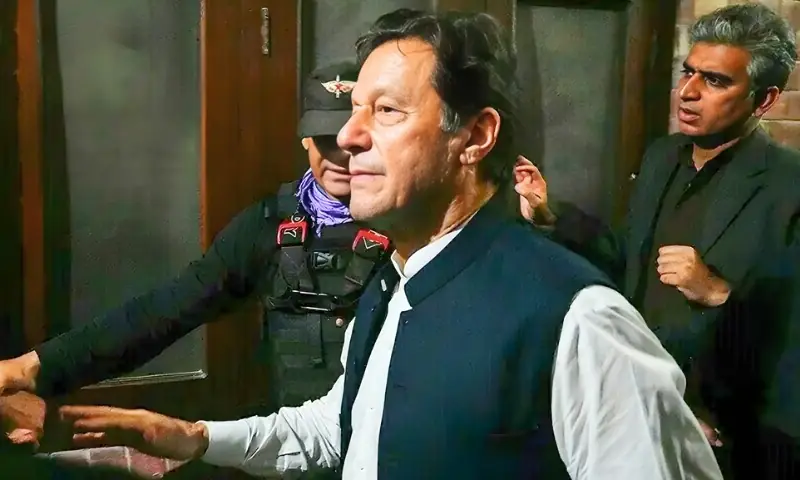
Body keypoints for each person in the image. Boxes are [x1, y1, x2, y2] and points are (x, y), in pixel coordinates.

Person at [56, 9, 722, 480]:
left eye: (387, 111)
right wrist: (196, 438)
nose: (349, 138)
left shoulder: (579, 320)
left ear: (475, 137)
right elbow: (343, 427)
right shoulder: (390, 284)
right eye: (353, 113)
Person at [0, 60, 392, 438]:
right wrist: (37, 365)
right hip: (293, 444)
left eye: (352, 140)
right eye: (326, 139)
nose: (341, 156)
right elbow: (167, 309)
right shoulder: (268, 225)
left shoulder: (408, 226)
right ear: (305, 138)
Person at [515, 3, 800, 479]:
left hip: (730, 443)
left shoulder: (788, 187)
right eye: (688, 73)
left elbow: (790, 343)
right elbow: (626, 262)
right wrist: (552, 215)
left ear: (764, 100)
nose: (687, 92)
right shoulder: (662, 158)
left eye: (715, 81)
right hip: (635, 415)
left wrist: (718, 292)